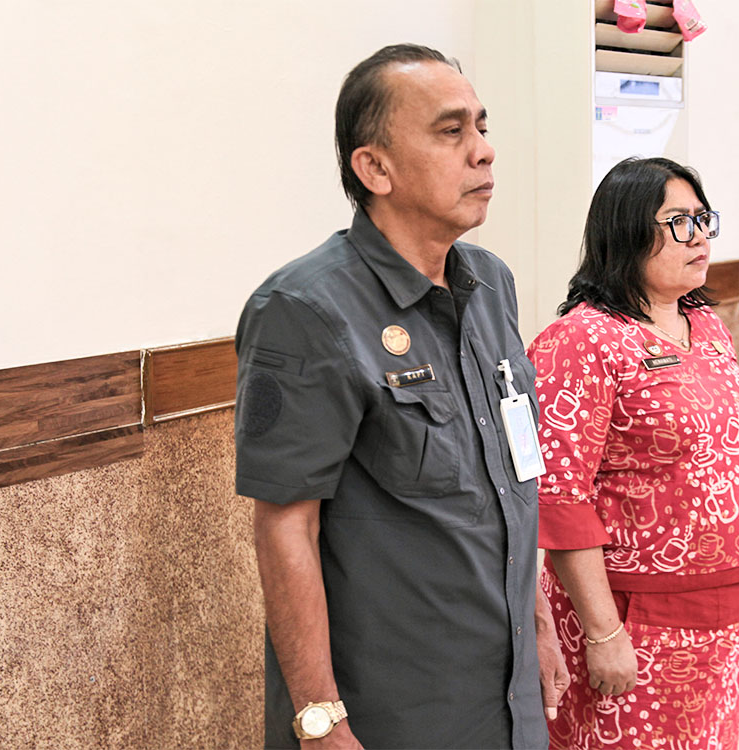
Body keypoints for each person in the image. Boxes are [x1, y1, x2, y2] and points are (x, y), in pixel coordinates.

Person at [235, 44, 567, 750]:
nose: (483, 151)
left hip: (507, 700)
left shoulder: (491, 285)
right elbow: (285, 526)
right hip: (395, 714)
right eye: (451, 131)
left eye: (482, 126)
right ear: (375, 168)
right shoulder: (306, 309)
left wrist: (538, 626)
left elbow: (510, 489)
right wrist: (319, 721)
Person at [526, 157, 739, 750]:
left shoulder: (705, 324)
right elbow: (560, 498)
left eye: (703, 219)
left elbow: (732, 450)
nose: (700, 237)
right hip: (632, 615)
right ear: (627, 231)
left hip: (721, 610)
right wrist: (602, 632)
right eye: (679, 222)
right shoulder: (581, 340)